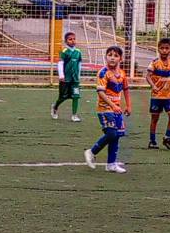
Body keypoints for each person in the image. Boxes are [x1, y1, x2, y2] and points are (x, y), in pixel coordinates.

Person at [85, 45, 130, 174]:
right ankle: (91, 152)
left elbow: (126, 89)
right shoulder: (103, 73)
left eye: (116, 55)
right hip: (105, 109)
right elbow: (101, 92)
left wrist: (128, 105)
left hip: (117, 109)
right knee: (111, 134)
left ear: (120, 58)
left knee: (116, 136)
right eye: (110, 55)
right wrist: (113, 105)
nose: (112, 58)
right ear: (106, 57)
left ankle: (111, 164)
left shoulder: (122, 73)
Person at [147, 38, 170, 150]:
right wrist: (153, 86)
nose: (164, 50)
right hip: (157, 96)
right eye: (162, 48)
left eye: (167, 48)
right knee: (155, 118)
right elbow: (148, 76)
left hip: (169, 96)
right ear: (158, 49)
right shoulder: (155, 63)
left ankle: (167, 138)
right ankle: (152, 141)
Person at [52, 31, 84, 121]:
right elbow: (60, 63)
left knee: (76, 96)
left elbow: (79, 64)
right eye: (70, 39)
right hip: (66, 79)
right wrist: (61, 75)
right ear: (66, 41)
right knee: (63, 96)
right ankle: (55, 107)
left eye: (74, 39)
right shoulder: (64, 52)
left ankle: (74, 115)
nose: (73, 41)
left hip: (75, 79)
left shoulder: (78, 52)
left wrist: (78, 76)